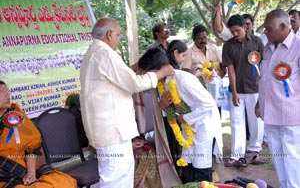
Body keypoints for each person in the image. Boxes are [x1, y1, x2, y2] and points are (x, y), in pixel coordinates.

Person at [79, 17, 174, 188]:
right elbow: (135, 83)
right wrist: (160, 73)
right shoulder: (105, 54)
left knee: (118, 175)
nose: (118, 39)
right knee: (116, 179)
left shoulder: (92, 53)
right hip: (112, 132)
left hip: (106, 130)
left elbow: (118, 80)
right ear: (109, 34)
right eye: (118, 35)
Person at [138, 47, 222, 183]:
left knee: (201, 162)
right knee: (187, 160)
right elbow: (170, 111)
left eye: (149, 73)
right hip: (187, 124)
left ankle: (206, 185)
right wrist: (163, 107)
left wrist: (186, 118)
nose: (148, 77)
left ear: (158, 69)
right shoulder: (163, 83)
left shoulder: (183, 79)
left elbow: (209, 104)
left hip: (203, 123)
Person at [0, 81, 77, 188]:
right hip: (4, 176)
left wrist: (31, 173)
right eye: (2, 92)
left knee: (63, 182)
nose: (7, 95)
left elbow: (32, 146)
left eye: (7, 91)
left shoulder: (15, 114)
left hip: (23, 169)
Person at [256, 9, 300, 188]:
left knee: (292, 157)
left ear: (283, 27)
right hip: (270, 112)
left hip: (291, 114)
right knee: (277, 156)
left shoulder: (298, 47)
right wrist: (259, 102)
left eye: (268, 28)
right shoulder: (268, 47)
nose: (265, 32)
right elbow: (265, 78)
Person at [222, 14, 265, 167]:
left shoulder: (257, 42)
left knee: (257, 121)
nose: (234, 34)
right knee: (236, 122)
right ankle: (236, 154)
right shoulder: (228, 46)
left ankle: (254, 151)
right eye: (232, 31)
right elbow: (230, 70)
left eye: (237, 31)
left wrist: (264, 89)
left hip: (255, 88)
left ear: (245, 27)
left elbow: (263, 66)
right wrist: (233, 93)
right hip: (237, 90)